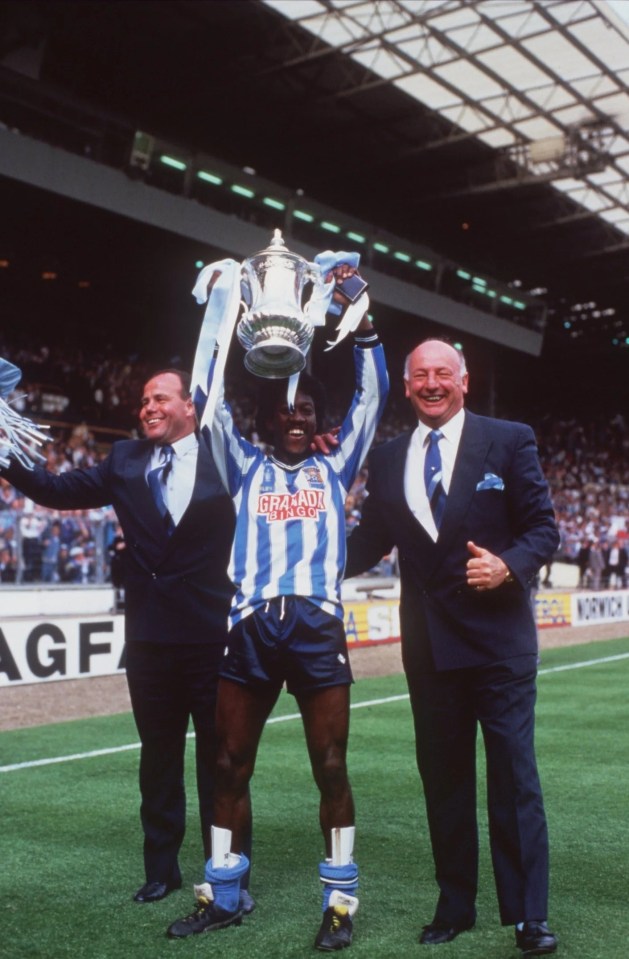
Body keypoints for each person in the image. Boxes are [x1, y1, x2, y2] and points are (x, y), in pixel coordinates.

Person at [166, 277, 388, 950]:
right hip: (251, 627)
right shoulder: (240, 464)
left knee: (330, 765)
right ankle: (225, 891)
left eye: (307, 410)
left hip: (318, 625)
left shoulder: (336, 463)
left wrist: (365, 325)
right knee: (228, 763)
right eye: (284, 409)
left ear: (318, 420)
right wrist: (218, 315)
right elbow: (204, 400)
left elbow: (373, 396)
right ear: (265, 418)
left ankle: (340, 898)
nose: (295, 418)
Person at [0, 367, 253, 908]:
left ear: (191, 405)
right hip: (149, 641)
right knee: (158, 758)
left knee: (221, 761)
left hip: (213, 639)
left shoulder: (228, 457)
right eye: (142, 401)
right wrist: (4, 449)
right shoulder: (124, 460)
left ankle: (226, 869)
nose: (147, 408)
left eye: (160, 398)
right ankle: (162, 870)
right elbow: (53, 489)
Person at [345, 338, 559, 956]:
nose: (431, 383)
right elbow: (366, 544)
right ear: (407, 386)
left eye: (443, 373)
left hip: (500, 645)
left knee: (515, 777)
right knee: (443, 780)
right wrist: (302, 563)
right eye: (420, 375)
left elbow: (543, 529)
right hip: (431, 649)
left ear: (464, 380)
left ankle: (529, 915)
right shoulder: (387, 460)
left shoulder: (510, 438)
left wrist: (509, 565)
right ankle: (455, 904)